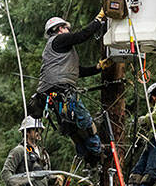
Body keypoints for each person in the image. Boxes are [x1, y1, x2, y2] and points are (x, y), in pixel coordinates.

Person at [32, 14, 109, 164]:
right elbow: (81, 36)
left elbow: (76, 71)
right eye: (67, 27)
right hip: (62, 92)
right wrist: (98, 21)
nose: (68, 30)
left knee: (72, 126)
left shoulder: (57, 50)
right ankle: (97, 151)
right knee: (85, 121)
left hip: (55, 96)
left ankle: (88, 156)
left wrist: (98, 67)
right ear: (60, 28)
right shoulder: (59, 39)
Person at [2, 116, 59, 186]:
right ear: (27, 132)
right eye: (35, 130)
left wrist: (56, 178)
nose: (38, 132)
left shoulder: (43, 153)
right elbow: (6, 172)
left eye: (40, 130)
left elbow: (46, 177)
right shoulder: (19, 151)